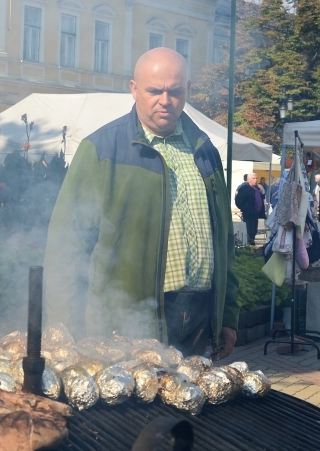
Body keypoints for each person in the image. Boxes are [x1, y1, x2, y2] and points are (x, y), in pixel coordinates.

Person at [43, 47, 239, 360]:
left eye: (175, 91)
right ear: (134, 89)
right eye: (154, 90)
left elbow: (225, 243)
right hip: (127, 325)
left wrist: (227, 316)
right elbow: (66, 245)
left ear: (188, 90)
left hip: (199, 321)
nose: (165, 100)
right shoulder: (102, 149)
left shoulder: (205, 150)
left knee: (187, 406)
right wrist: (63, 328)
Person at [235, 173, 265, 246]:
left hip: (256, 213)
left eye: (256, 178)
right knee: (250, 231)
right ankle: (249, 245)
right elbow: (238, 201)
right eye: (253, 178)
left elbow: (261, 198)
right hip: (248, 213)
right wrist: (245, 209)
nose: (256, 180)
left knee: (254, 230)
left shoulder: (257, 188)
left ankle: (251, 243)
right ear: (248, 179)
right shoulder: (244, 188)